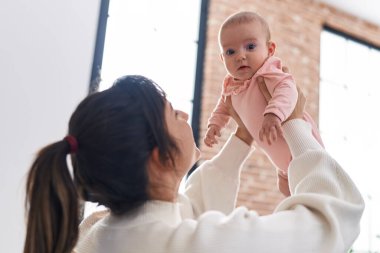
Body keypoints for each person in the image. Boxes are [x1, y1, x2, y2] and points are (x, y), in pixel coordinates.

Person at [23, 75, 364, 253]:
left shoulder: (101, 232)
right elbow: (330, 221)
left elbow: (186, 211)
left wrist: (242, 137)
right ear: (161, 157)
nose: (184, 114)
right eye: (173, 113)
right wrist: (294, 125)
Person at [204, 11, 324, 196]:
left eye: (250, 46)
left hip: (301, 143)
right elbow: (223, 107)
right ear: (222, 58)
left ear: (270, 50)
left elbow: (288, 89)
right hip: (283, 165)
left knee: (317, 186)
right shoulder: (231, 85)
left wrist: (273, 114)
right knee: (288, 192)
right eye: (230, 51)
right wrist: (215, 125)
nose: (240, 56)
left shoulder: (269, 72)